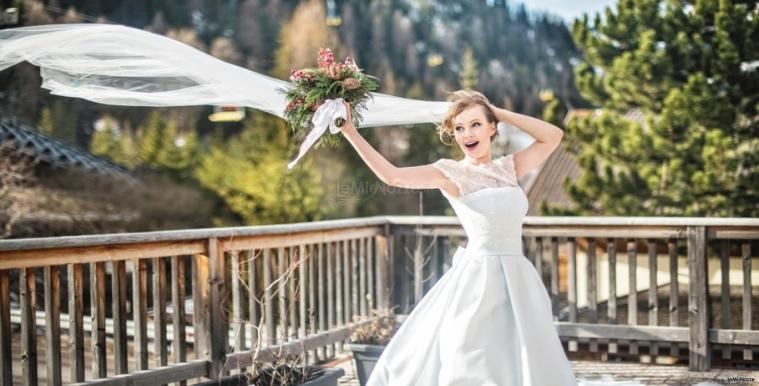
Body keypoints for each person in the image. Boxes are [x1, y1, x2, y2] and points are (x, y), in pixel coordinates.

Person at [338, 89, 578, 386]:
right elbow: (393, 176)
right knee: (473, 359)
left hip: (518, 277)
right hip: (477, 281)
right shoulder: (450, 173)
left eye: (476, 124)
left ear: (492, 128)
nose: (467, 134)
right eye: (460, 128)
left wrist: (497, 111)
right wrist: (349, 130)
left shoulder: (508, 167)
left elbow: (553, 136)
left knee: (522, 357)